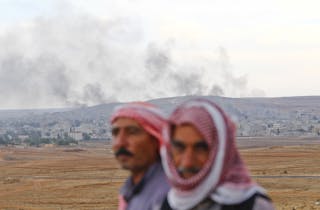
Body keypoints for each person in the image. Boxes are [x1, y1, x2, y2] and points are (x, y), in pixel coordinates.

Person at [160, 98, 275, 210]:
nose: (187, 162)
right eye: (180, 148)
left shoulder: (252, 205)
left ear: (221, 153)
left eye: (200, 148)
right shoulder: (169, 203)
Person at [110, 102, 170, 210]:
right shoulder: (131, 189)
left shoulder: (169, 197)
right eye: (115, 133)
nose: (120, 142)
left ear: (156, 140)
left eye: (132, 132)